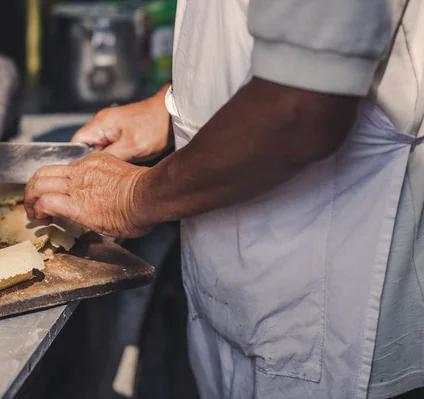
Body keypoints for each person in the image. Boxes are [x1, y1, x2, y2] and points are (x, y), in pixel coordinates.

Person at [24, 1, 424, 398]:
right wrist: (169, 108)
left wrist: (134, 196)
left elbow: (301, 111)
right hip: (245, 307)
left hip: (337, 325)